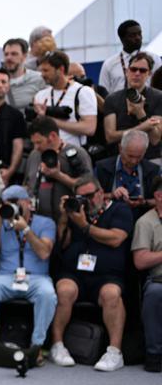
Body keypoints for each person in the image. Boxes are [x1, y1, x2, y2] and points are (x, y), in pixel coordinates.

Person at [49, 176, 133, 371]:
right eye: (82, 197)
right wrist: (64, 219)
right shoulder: (77, 212)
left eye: (90, 196)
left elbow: (116, 239)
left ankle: (114, 352)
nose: (87, 201)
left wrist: (85, 226)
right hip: (75, 273)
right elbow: (63, 244)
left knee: (111, 294)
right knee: (64, 290)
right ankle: (57, 345)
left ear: (101, 193)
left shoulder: (119, 210)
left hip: (107, 274)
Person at [0, 186, 56, 363]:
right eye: (8, 203)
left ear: (28, 203)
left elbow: (44, 253)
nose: (13, 206)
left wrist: (26, 229)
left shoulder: (46, 223)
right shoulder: (1, 223)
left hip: (36, 277)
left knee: (48, 294)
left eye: (16, 202)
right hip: (6, 275)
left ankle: (37, 346)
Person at [23, 116, 92, 221]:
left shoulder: (77, 154)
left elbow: (89, 188)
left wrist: (58, 176)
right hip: (38, 222)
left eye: (39, 142)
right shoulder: (34, 155)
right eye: (33, 143)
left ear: (53, 136)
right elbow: (27, 183)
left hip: (69, 222)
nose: (36, 147)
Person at [103, 51, 162, 160]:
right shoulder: (112, 99)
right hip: (120, 158)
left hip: (150, 158)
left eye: (142, 70)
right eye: (133, 69)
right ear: (126, 71)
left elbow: (155, 139)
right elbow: (110, 137)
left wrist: (141, 113)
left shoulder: (158, 97)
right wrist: (142, 127)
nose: (137, 73)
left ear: (149, 74)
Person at [33, 51, 97, 148]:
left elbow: (89, 128)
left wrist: (52, 121)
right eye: (41, 71)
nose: (42, 74)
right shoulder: (40, 95)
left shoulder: (83, 92)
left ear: (61, 69)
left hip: (74, 152)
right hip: (47, 153)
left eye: (46, 70)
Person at [132, 176, 162, 372]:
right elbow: (140, 261)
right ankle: (154, 353)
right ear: (159, 196)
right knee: (155, 293)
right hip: (158, 278)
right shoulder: (146, 222)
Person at [95, 130, 160, 219]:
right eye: (130, 156)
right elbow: (90, 196)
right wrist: (112, 195)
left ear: (145, 152)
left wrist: (144, 202)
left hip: (141, 217)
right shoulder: (102, 168)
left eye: (139, 157)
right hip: (109, 218)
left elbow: (160, 199)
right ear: (120, 148)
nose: (133, 161)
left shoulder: (153, 170)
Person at [98, 20, 162, 96]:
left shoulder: (155, 59)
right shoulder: (109, 64)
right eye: (133, 35)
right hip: (118, 106)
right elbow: (103, 91)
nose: (138, 38)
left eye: (139, 34)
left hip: (149, 105)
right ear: (122, 39)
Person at [2, 39, 46, 109]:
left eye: (14, 54)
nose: (9, 58)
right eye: (6, 54)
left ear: (24, 56)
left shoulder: (39, 78)